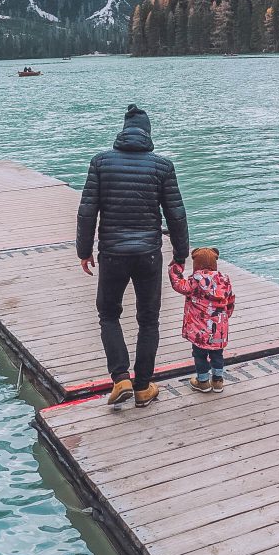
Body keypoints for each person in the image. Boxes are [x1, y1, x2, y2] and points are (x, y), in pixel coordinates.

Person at [77, 104, 189, 409]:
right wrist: (181, 255)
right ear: (148, 133)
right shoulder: (162, 167)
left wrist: (84, 251)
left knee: (109, 314)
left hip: (112, 253)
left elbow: (87, 211)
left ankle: (120, 378)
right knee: (148, 320)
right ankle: (142, 388)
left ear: (123, 132)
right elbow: (176, 215)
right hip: (148, 255)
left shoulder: (101, 163)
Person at [169, 247, 235, 394]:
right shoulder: (224, 280)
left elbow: (178, 284)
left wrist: (175, 266)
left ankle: (203, 381)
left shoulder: (195, 281)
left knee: (199, 355)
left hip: (199, 331)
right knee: (217, 355)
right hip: (219, 329)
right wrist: (226, 316)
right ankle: (218, 381)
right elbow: (230, 300)